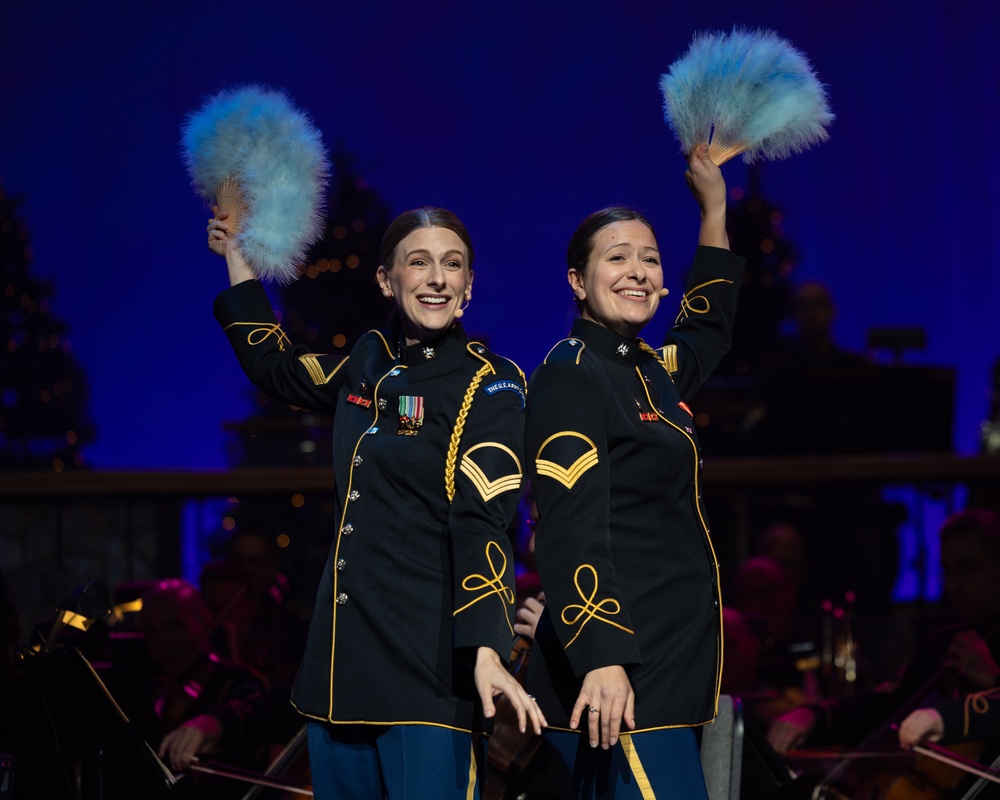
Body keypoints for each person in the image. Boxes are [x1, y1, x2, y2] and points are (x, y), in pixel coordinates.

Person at [208, 204, 544, 799]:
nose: (437, 278)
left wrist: (489, 649)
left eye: (453, 265)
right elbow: (276, 365)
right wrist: (238, 257)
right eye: (419, 263)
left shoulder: (491, 383)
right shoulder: (368, 364)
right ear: (388, 281)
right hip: (339, 674)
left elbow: (486, 523)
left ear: (467, 287)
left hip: (431, 672)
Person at [524, 143, 744, 798]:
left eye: (650, 258)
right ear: (576, 279)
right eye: (617, 257)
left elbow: (708, 329)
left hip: (667, 668)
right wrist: (600, 656)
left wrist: (714, 209)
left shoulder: (649, 372)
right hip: (617, 674)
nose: (639, 271)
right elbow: (565, 530)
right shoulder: (571, 373)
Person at [769, 509, 1000, 756]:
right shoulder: (944, 642)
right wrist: (813, 715)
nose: (954, 586)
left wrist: (991, 678)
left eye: (968, 569)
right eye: (947, 571)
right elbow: (884, 707)